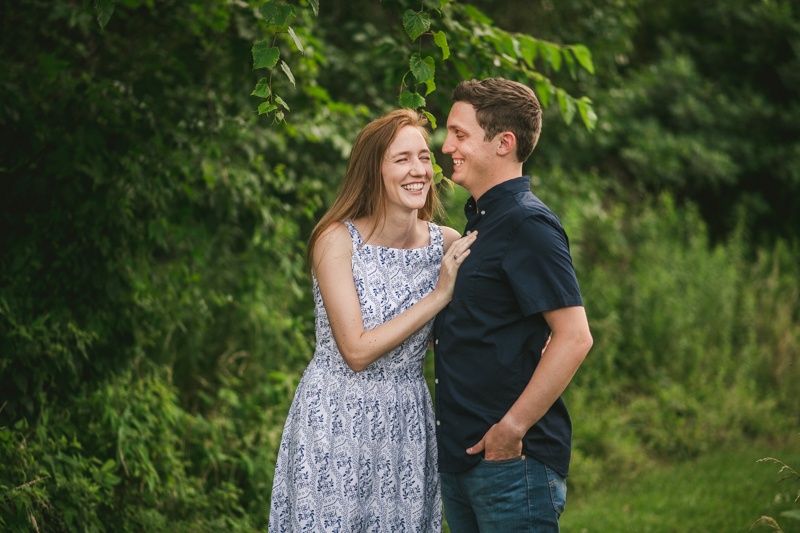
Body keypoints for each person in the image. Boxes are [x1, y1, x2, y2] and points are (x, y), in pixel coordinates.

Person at [269, 109, 476, 533]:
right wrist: (440, 296)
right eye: (402, 159)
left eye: (423, 157)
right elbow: (357, 351)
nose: (418, 170)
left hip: (405, 422)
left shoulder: (446, 244)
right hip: (335, 415)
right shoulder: (336, 240)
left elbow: (463, 332)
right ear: (373, 170)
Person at [432, 78, 594, 532]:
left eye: (460, 134)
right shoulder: (479, 222)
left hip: (510, 464)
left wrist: (512, 429)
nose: (446, 147)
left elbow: (575, 336)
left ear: (504, 143)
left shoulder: (528, 223)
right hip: (461, 459)